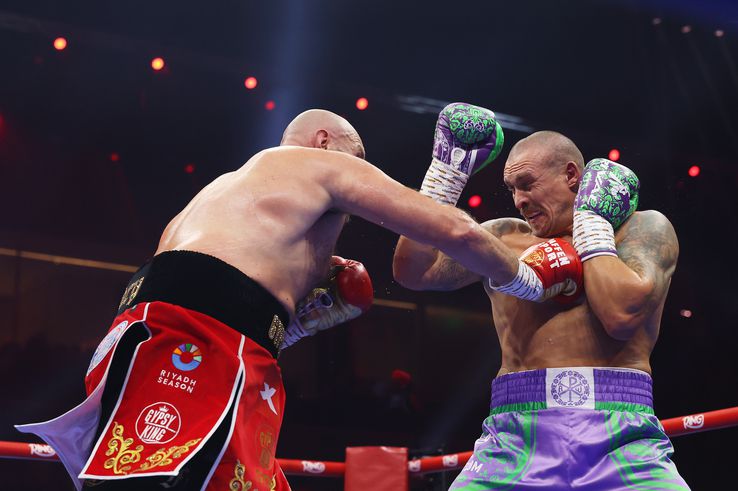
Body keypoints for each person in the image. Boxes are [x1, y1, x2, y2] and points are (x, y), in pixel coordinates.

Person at [16, 108, 518, 491]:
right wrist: (526, 276)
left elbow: (201, 283)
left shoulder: (223, 193)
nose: (360, 171)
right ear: (324, 141)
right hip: (201, 345)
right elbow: (449, 229)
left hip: (146, 338)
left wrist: (296, 322)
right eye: (358, 157)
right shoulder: (319, 166)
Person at [393, 105, 689, 489]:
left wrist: (592, 228)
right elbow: (413, 273)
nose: (519, 200)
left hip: (622, 435)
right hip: (514, 436)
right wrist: (443, 180)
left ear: (571, 176)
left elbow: (620, 316)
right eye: (512, 189)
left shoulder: (641, 230)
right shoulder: (504, 237)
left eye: (528, 184)